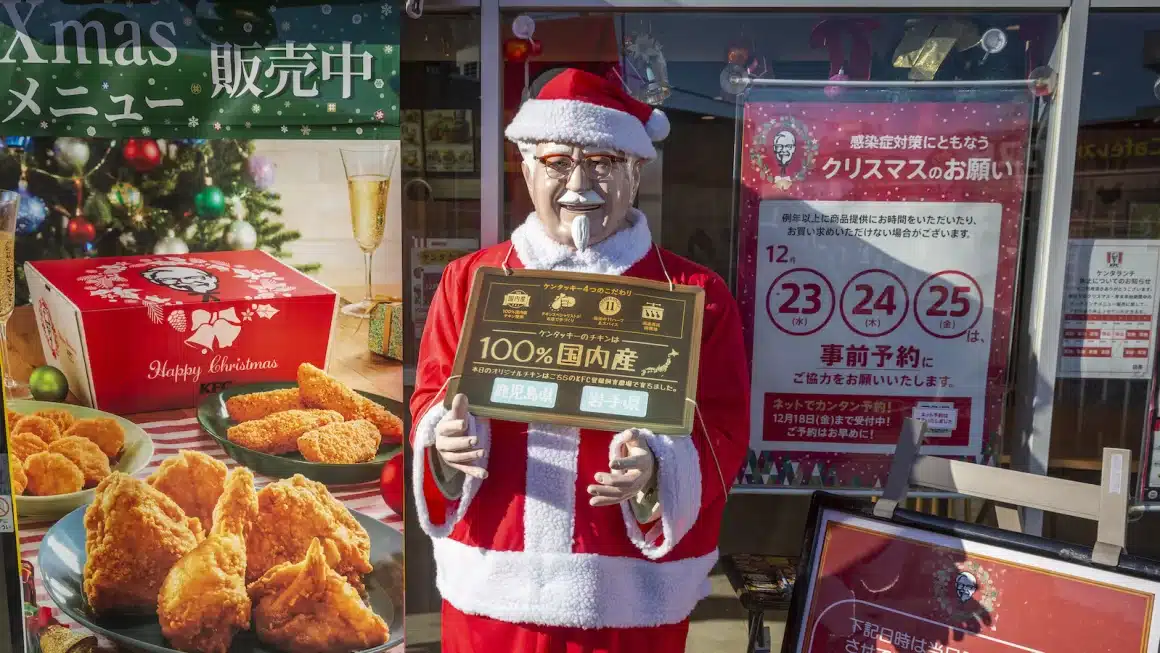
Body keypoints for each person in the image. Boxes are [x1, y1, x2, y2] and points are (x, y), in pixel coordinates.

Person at [410, 67, 751, 653]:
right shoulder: (470, 280)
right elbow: (431, 397)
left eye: (602, 162)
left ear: (636, 171)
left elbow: (723, 428)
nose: (579, 183)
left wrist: (658, 470)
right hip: (494, 588)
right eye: (557, 162)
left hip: (627, 599)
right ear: (526, 169)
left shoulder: (693, 293)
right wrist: (442, 441)